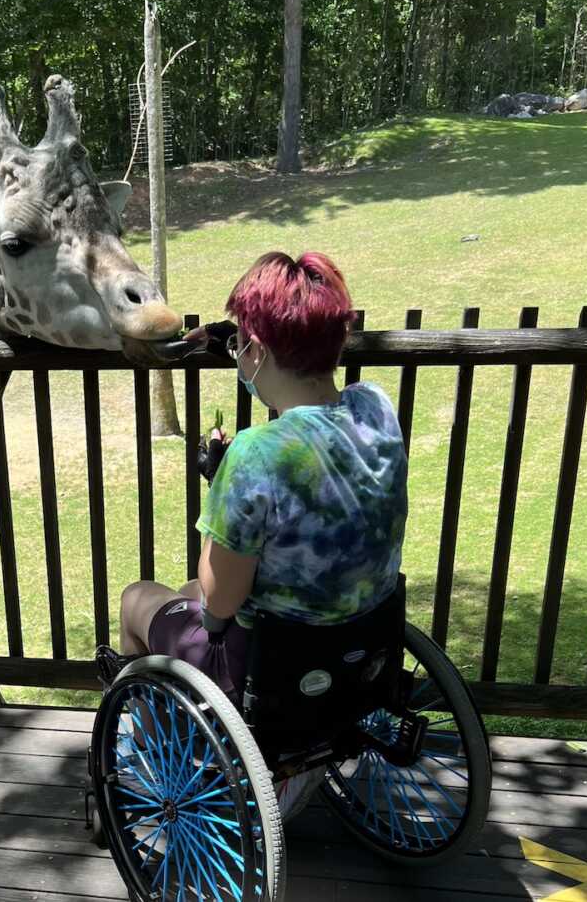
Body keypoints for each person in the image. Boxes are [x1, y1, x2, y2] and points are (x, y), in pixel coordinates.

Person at [101, 251, 408, 814]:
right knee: (186, 597)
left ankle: (153, 772)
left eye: (241, 342)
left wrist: (225, 486)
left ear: (258, 351)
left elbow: (219, 603)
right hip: (365, 647)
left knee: (139, 598)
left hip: (272, 670)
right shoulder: (375, 409)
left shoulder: (255, 453)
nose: (237, 352)